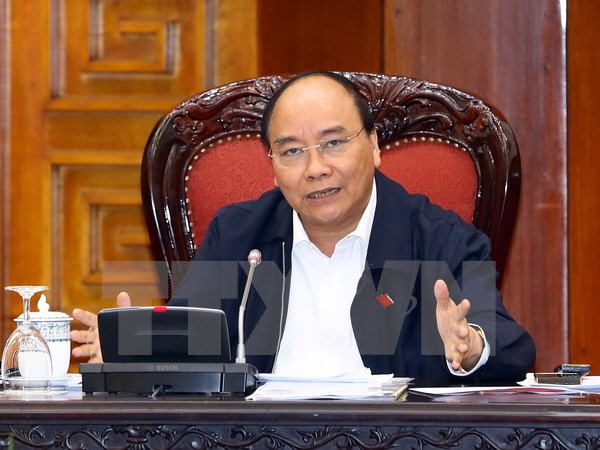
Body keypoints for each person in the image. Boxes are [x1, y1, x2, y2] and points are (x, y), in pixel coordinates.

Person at [71, 70, 535, 383]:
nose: (315, 169)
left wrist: (471, 348)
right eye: (292, 151)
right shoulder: (239, 236)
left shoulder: (441, 239)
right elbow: (192, 339)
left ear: (375, 146)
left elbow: (511, 346)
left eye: (334, 143)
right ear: (272, 166)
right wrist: (133, 347)